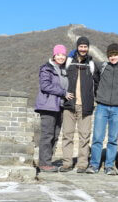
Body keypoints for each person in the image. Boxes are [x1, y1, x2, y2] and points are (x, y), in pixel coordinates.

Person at [86, 43, 118, 175]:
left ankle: (109, 166)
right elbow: (87, 62)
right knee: (97, 137)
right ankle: (94, 165)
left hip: (117, 109)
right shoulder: (102, 67)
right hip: (102, 107)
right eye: (110, 55)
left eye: (115, 55)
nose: (113, 57)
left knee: (113, 139)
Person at [34, 44, 73, 172]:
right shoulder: (47, 68)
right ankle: (44, 163)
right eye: (59, 54)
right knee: (47, 135)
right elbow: (45, 86)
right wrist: (63, 93)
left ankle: (48, 161)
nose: (61, 57)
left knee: (55, 135)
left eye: (63, 55)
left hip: (60, 106)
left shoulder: (64, 70)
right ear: (54, 55)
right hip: (48, 106)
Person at [60, 36, 95, 173]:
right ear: (77, 47)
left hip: (85, 106)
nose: (83, 49)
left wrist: (93, 99)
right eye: (81, 46)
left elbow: (97, 83)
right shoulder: (69, 62)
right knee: (67, 135)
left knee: (84, 137)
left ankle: (82, 164)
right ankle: (67, 163)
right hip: (69, 105)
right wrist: (63, 93)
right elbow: (60, 79)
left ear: (88, 48)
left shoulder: (91, 64)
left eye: (85, 46)